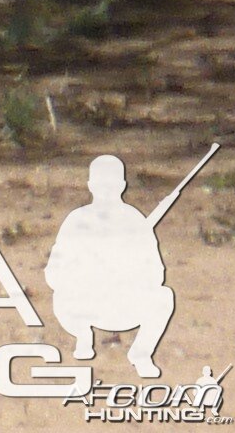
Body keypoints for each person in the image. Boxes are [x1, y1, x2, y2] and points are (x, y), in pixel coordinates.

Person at [44, 154, 176, 377]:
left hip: (123, 305)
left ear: (122, 186)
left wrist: (127, 272)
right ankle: (83, 336)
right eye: (101, 184)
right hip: (82, 305)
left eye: (111, 184)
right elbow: (53, 273)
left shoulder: (136, 221)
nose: (106, 190)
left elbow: (156, 274)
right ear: (91, 186)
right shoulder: (76, 220)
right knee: (61, 296)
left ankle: (141, 354)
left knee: (164, 296)